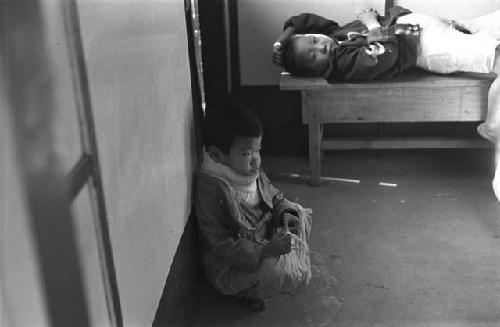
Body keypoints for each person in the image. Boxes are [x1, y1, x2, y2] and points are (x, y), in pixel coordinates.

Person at [272, 5, 500, 200]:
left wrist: (282, 41)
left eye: (314, 39)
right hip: (431, 48)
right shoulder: (344, 64)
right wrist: (371, 23)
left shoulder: (336, 34)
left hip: (432, 27)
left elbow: (302, 21)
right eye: (313, 55)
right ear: (316, 70)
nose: (320, 46)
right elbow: (385, 54)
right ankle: (495, 127)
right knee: (495, 56)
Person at [194, 103, 312, 311]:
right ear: (216, 154)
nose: (256, 160)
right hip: (231, 264)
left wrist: (285, 212)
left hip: (262, 238)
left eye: (258, 150)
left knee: (298, 212)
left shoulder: (247, 172)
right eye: (246, 154)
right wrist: (265, 250)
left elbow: (274, 196)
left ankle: (277, 259)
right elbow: (220, 244)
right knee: (274, 272)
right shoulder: (211, 190)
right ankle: (246, 292)